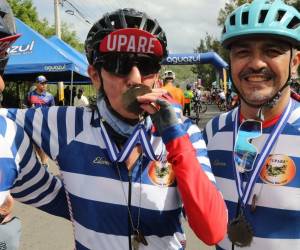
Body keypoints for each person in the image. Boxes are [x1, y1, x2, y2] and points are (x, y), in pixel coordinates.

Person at [2, 8, 227, 249]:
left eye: (146, 64)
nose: (135, 78)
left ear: (157, 75)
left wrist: (175, 138)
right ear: (94, 76)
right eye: (120, 64)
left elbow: (212, 231)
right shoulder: (67, 124)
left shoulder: (184, 133)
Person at [203, 0, 300, 249]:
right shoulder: (211, 132)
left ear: (295, 62)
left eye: (272, 51)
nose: (256, 63)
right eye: (243, 52)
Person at [0, 1, 51, 249]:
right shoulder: (31, 94)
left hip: (37, 123)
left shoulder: (49, 97)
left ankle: (42, 162)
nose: (41, 85)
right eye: (39, 82)